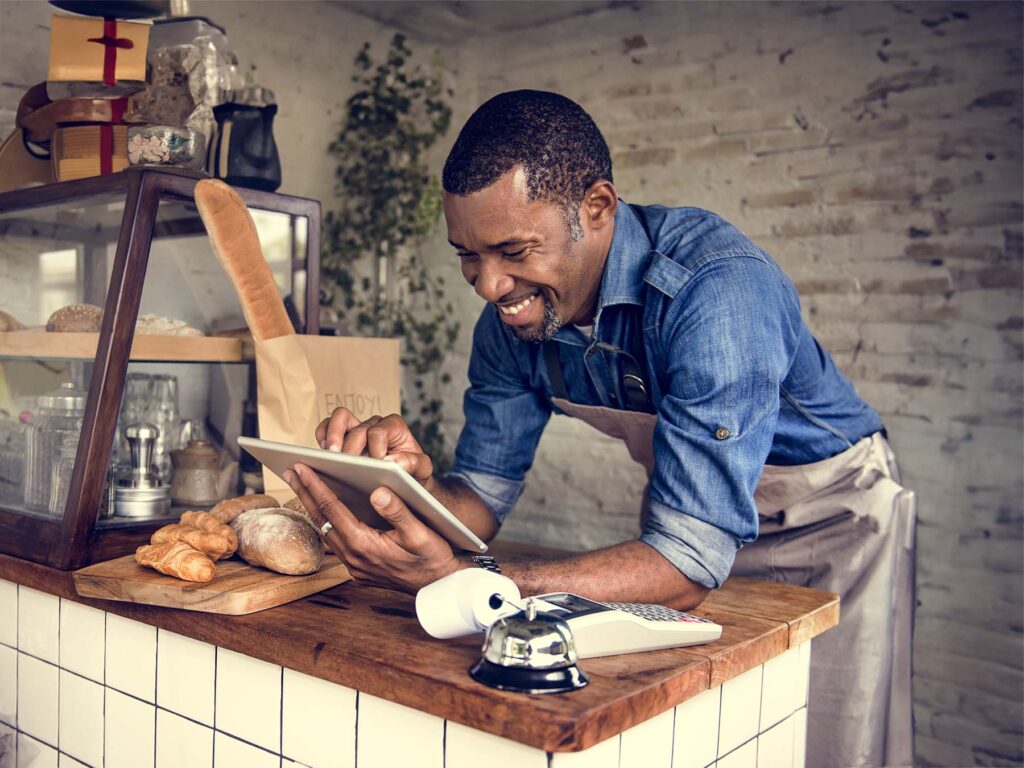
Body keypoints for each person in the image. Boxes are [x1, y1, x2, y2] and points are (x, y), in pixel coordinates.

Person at [283, 90, 915, 767]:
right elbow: (482, 501)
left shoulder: (717, 291)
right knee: (717, 730)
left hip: (835, 518)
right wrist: (406, 491)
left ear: (597, 209)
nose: (489, 286)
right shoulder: (513, 320)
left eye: (513, 250)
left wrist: (475, 580)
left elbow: (684, 563)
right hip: (691, 525)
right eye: (467, 255)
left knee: (830, 738)